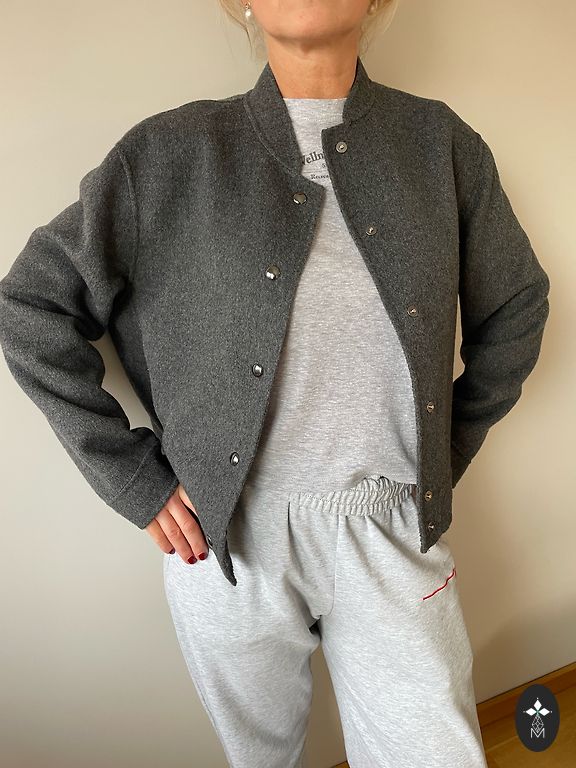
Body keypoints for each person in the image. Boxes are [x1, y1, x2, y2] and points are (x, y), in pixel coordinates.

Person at [0, 1, 550, 766]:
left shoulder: (440, 145)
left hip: (390, 529)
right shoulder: (166, 155)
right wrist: (132, 479)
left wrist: (445, 450)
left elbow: (517, 306)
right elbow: (30, 306)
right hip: (223, 542)